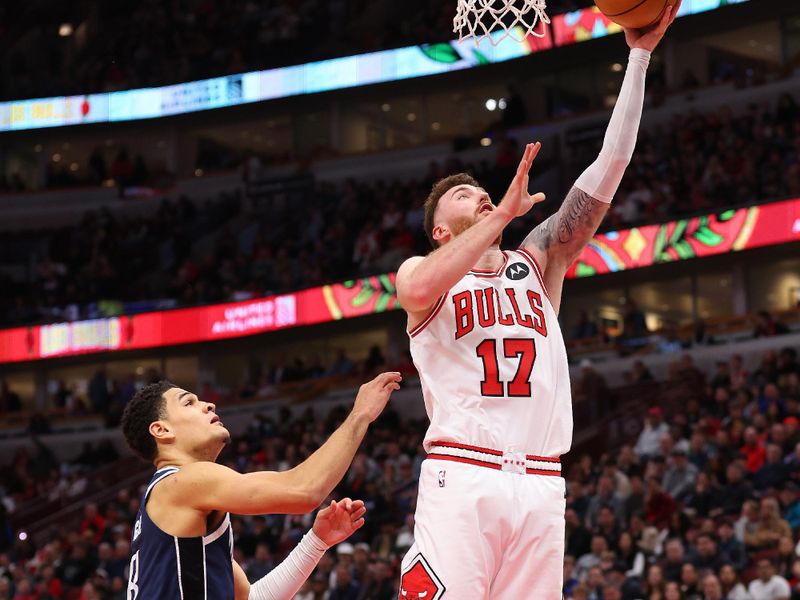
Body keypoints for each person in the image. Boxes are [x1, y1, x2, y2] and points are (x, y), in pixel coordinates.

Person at [393, 4, 680, 596]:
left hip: (543, 481)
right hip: (463, 474)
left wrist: (639, 57)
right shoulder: (422, 273)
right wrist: (499, 213)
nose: (478, 196)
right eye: (463, 198)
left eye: (480, 192)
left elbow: (610, 166)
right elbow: (418, 290)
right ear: (441, 231)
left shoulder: (537, 261)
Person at [121, 372, 401, 599]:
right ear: (162, 430)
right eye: (189, 403)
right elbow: (304, 490)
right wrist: (360, 415)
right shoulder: (183, 482)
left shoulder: (177, 520)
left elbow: (253, 598)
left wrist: (317, 542)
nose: (208, 405)